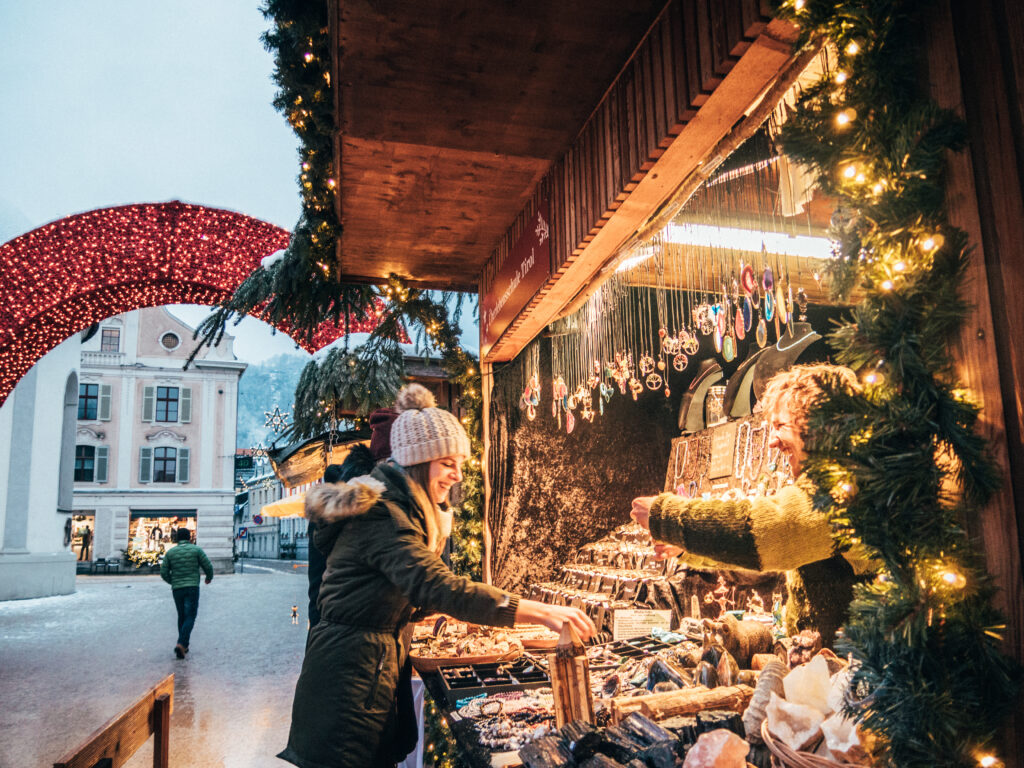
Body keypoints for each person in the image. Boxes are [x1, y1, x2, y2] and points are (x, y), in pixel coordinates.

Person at [279, 384, 596, 768]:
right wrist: (540, 612)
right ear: (419, 459)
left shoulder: (404, 509)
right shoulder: (385, 515)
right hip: (348, 684)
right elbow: (438, 586)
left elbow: (394, 590)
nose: (457, 475)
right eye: (448, 463)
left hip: (365, 672)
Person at [630, 363, 873, 645]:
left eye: (781, 426)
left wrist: (665, 516)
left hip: (865, 674)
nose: (772, 442)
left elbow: (766, 534)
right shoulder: (834, 480)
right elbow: (764, 556)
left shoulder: (843, 486)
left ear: (818, 423)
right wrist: (687, 548)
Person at [307, 406, 399, 629]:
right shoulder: (346, 508)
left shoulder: (385, 501)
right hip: (341, 637)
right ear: (384, 462)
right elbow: (320, 584)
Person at [160, 527, 214, 659]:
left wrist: (173, 582)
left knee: (182, 616)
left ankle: (184, 646)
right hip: (192, 587)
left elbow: (163, 572)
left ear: (177, 538)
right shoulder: (196, 550)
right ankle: (182, 643)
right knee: (190, 615)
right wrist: (209, 577)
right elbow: (208, 565)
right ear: (189, 537)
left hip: (177, 588)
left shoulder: (171, 553)